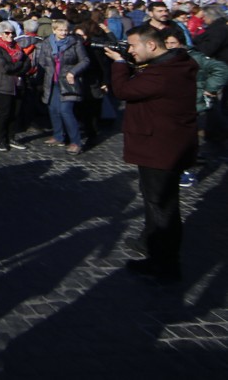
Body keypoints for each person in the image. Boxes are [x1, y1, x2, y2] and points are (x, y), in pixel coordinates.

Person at [104, 25, 198, 282]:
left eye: (134, 46)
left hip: (160, 148)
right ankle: (152, 245)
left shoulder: (162, 74)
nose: (130, 50)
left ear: (152, 46)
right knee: (157, 202)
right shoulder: (174, 63)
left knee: (161, 206)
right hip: (166, 145)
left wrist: (120, 63)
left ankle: (165, 264)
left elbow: (124, 91)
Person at [160, 29, 228, 187]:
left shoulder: (194, 57)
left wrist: (210, 89)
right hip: (170, 105)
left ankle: (186, 172)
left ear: (181, 43)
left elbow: (221, 69)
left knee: (184, 140)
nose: (170, 46)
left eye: (173, 43)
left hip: (191, 105)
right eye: (167, 43)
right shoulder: (164, 58)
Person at [34, 19, 90, 154]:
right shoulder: (47, 43)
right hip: (52, 81)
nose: (64, 33)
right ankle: (59, 136)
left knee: (66, 111)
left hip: (68, 82)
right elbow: (42, 62)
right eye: (60, 30)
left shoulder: (75, 42)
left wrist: (73, 71)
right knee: (53, 109)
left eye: (66, 30)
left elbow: (85, 60)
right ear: (54, 30)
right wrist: (39, 82)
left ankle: (76, 142)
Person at [0, 20, 31, 151]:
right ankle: (0, 139)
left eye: (12, 33)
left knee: (16, 112)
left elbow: (27, 63)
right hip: (5, 84)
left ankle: (11, 137)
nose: (10, 36)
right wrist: (19, 65)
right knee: (5, 112)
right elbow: (4, 67)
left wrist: (19, 67)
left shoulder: (17, 46)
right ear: (0, 34)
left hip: (18, 83)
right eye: (7, 33)